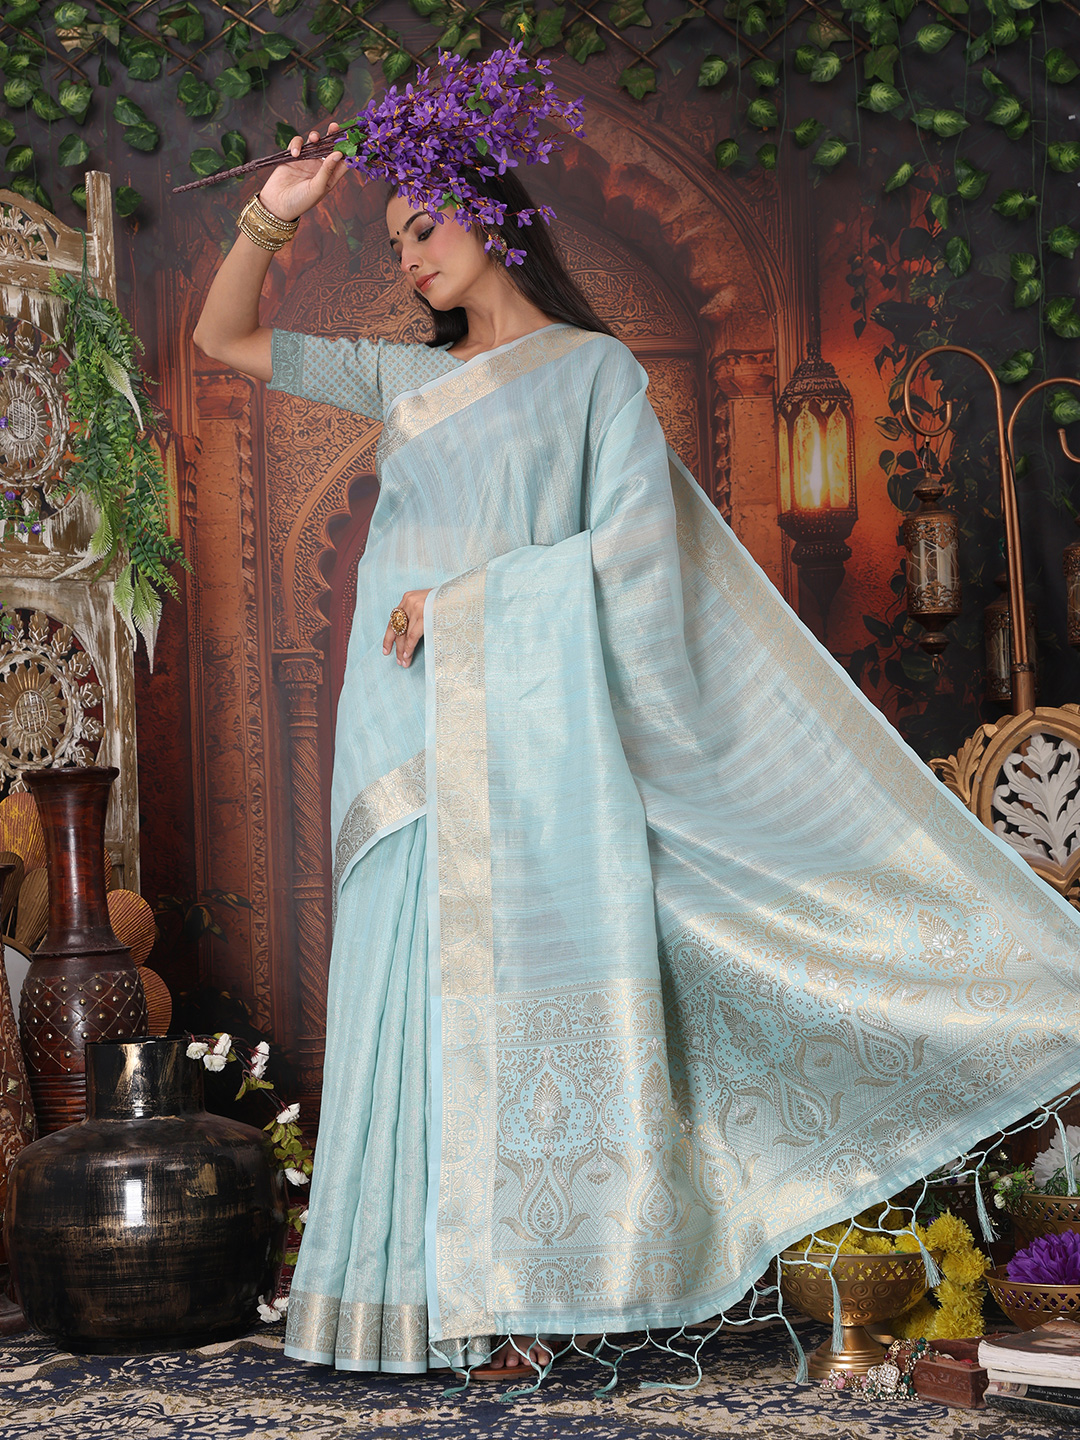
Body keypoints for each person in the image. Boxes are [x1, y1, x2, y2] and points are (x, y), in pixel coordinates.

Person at [193, 110, 1080, 1385]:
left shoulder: (595, 375)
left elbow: (634, 562)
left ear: (492, 218)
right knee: (410, 1006)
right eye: (394, 243)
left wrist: (465, 605)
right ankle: (405, 1306)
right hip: (401, 740)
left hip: (530, 743)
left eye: (426, 227)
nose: (411, 258)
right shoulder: (402, 382)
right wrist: (272, 214)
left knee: (514, 1010)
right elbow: (222, 338)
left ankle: (526, 1296)